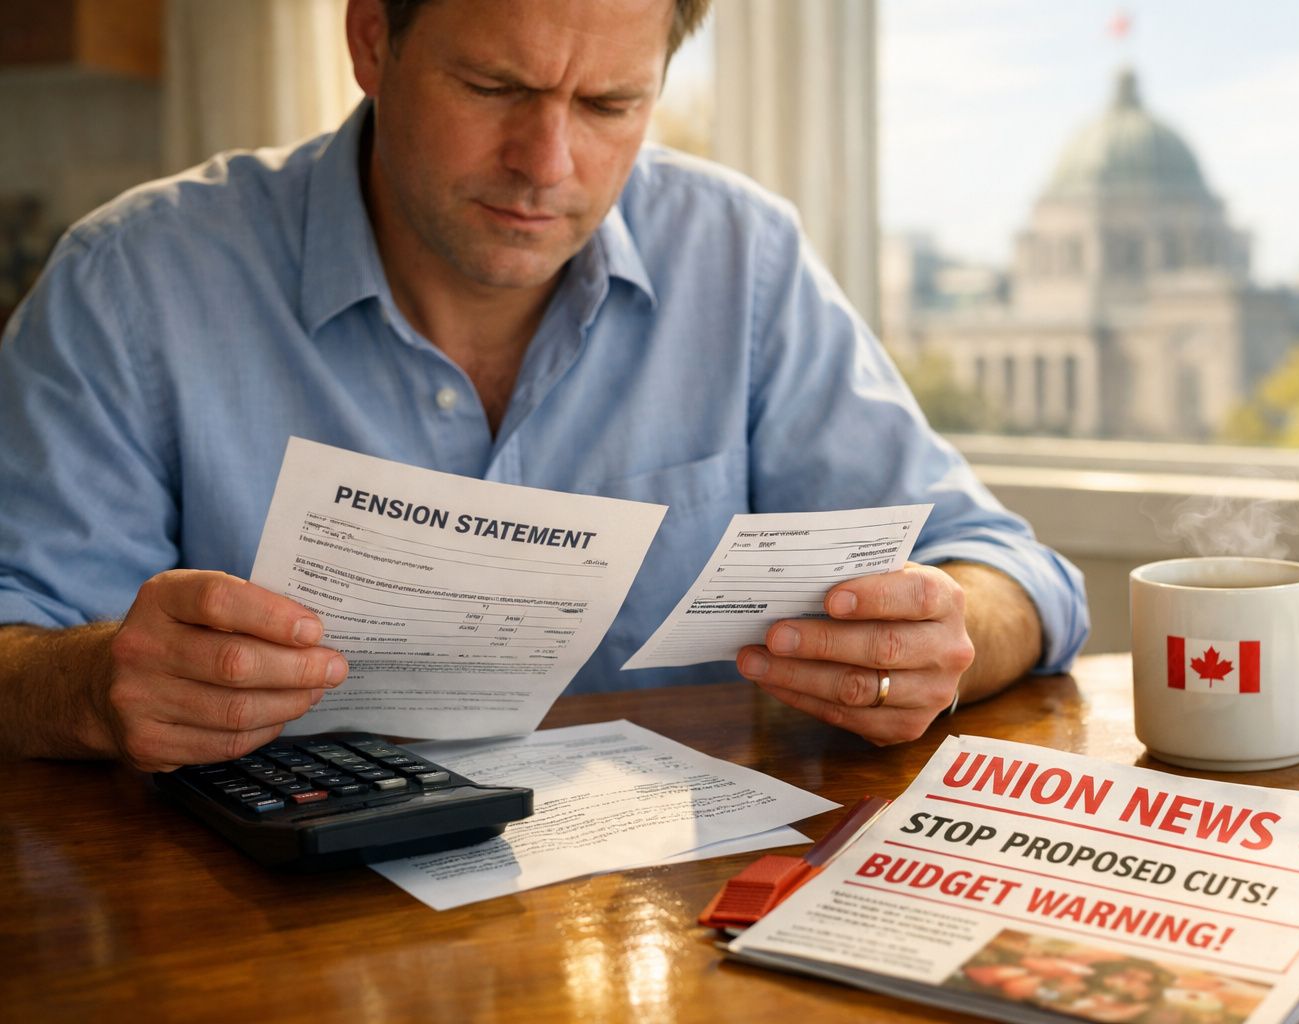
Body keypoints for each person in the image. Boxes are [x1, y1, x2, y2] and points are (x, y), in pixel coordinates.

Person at [0, 0, 1088, 773]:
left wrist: (944, 633)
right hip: (253, 925)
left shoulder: (739, 257)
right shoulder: (133, 281)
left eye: (611, 103)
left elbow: (1012, 574)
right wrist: (96, 688)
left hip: (659, 927)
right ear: (372, 38)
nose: (548, 162)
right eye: (495, 87)